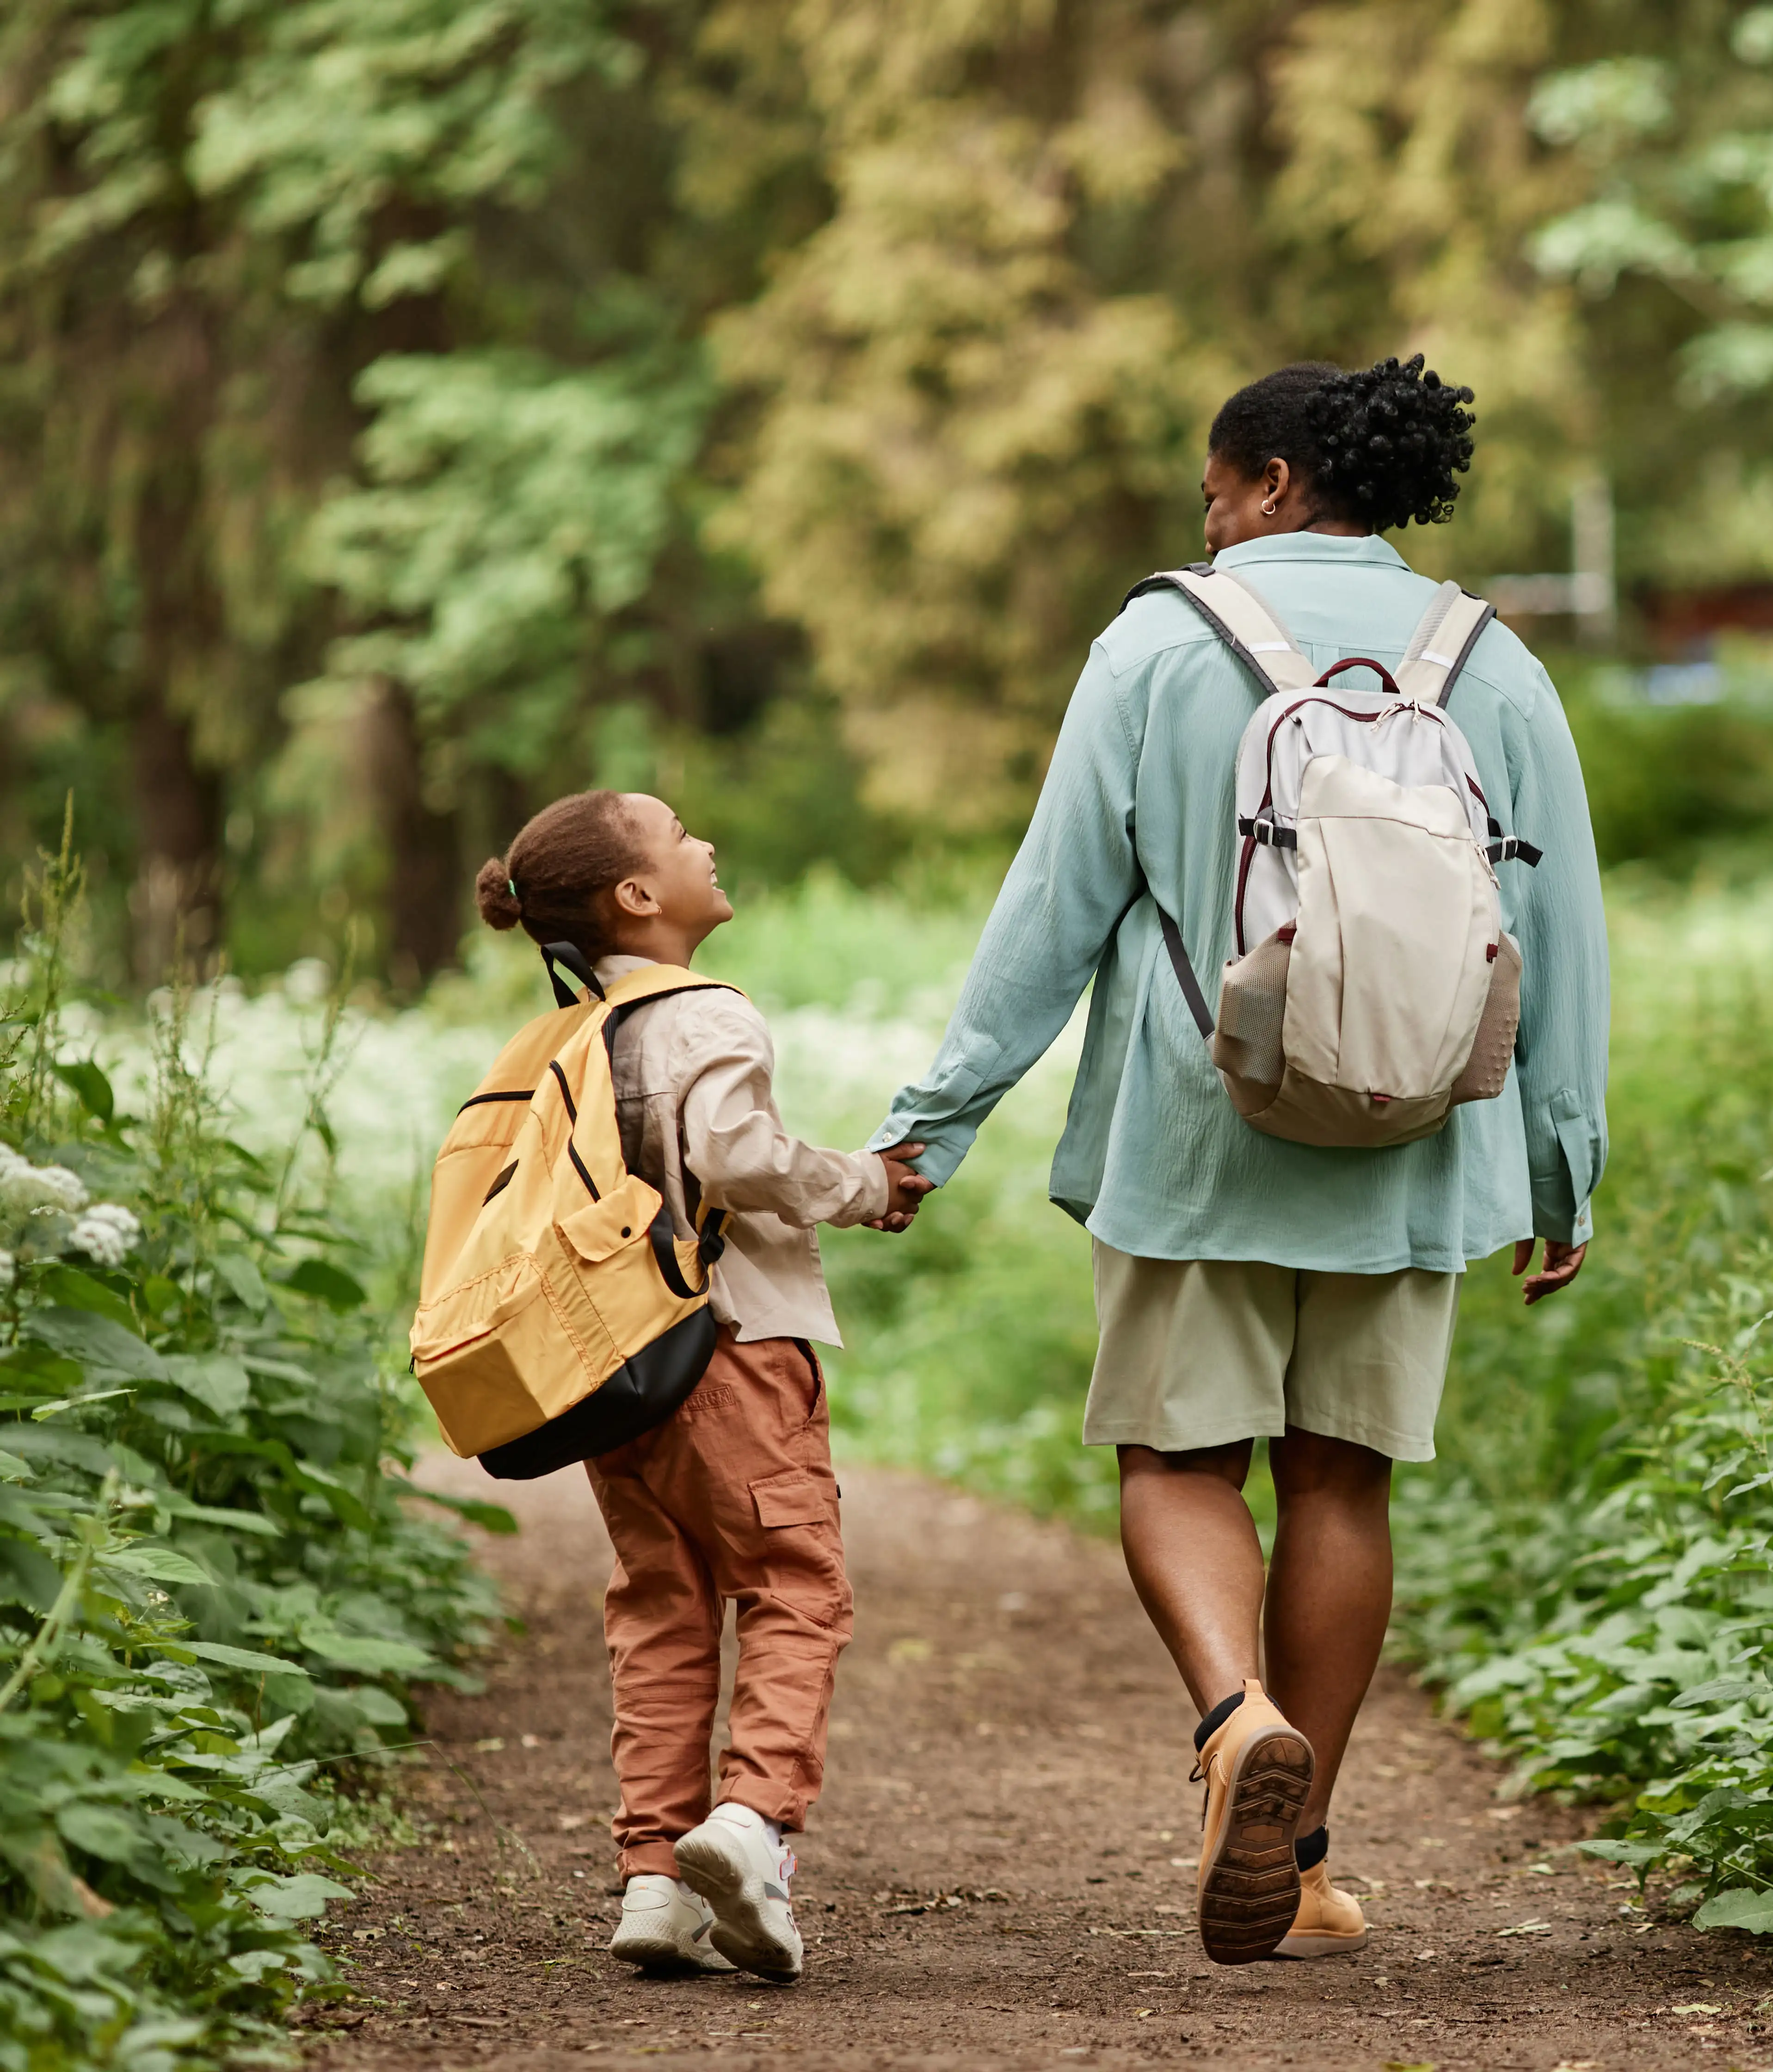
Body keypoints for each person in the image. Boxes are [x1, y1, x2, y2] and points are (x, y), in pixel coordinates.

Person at [869, 354, 1608, 1965]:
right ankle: (1310, 1850)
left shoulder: (1157, 643)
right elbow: (1559, 932)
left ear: (1274, 483)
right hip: (1418, 1133)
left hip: (1202, 1123)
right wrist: (1565, 1166)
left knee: (1181, 1463)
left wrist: (935, 1122)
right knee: (1343, 1479)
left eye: (1217, 492)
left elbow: (1054, 903)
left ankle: (1230, 1726)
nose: (1205, 525)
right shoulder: (1493, 660)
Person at [472, 791, 936, 1984]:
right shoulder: (704, 1014)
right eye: (680, 838)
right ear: (638, 897)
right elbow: (737, 1158)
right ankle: (752, 1827)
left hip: (615, 1375)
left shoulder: (576, 1032)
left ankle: (653, 1884)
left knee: (661, 1605)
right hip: (731, 1349)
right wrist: (863, 1184)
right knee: (795, 1586)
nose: (706, 846)